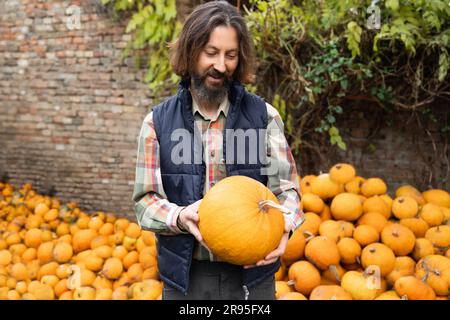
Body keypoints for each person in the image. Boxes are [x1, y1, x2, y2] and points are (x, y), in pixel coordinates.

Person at [132, 1, 302, 300]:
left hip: (253, 278)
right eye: (211, 53)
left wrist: (285, 226)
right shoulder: (157, 123)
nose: (221, 65)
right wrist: (180, 216)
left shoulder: (264, 117)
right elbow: (145, 202)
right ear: (190, 51)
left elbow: (288, 192)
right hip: (185, 279)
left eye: (231, 55)